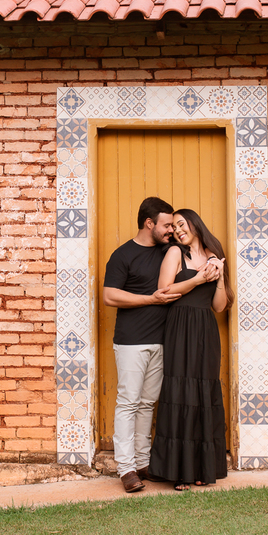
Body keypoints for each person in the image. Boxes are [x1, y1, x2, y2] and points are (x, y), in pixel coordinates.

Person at [101, 196, 191, 493]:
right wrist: (150, 299)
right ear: (149, 224)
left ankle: (142, 463)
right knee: (128, 403)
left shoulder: (171, 251)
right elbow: (110, 296)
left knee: (147, 404)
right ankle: (125, 468)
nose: (171, 230)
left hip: (163, 341)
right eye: (166, 225)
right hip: (131, 342)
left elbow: (199, 255)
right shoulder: (123, 255)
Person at [148, 208, 233, 490]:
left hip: (205, 329)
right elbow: (164, 291)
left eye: (181, 224)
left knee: (203, 392)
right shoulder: (175, 253)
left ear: (195, 223)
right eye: (174, 227)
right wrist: (197, 279)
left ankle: (202, 469)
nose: (177, 230)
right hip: (179, 325)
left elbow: (219, 306)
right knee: (180, 391)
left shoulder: (214, 252)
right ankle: (180, 472)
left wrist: (219, 278)